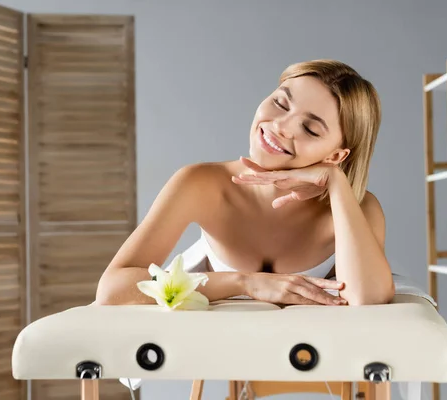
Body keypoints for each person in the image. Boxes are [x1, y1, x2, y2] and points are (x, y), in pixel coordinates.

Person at [95, 59, 395, 308]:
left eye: (310, 129)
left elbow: (368, 299)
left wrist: (335, 182)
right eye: (280, 103)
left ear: (336, 155)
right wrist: (246, 282)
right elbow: (112, 290)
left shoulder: (358, 207)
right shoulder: (200, 183)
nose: (281, 126)